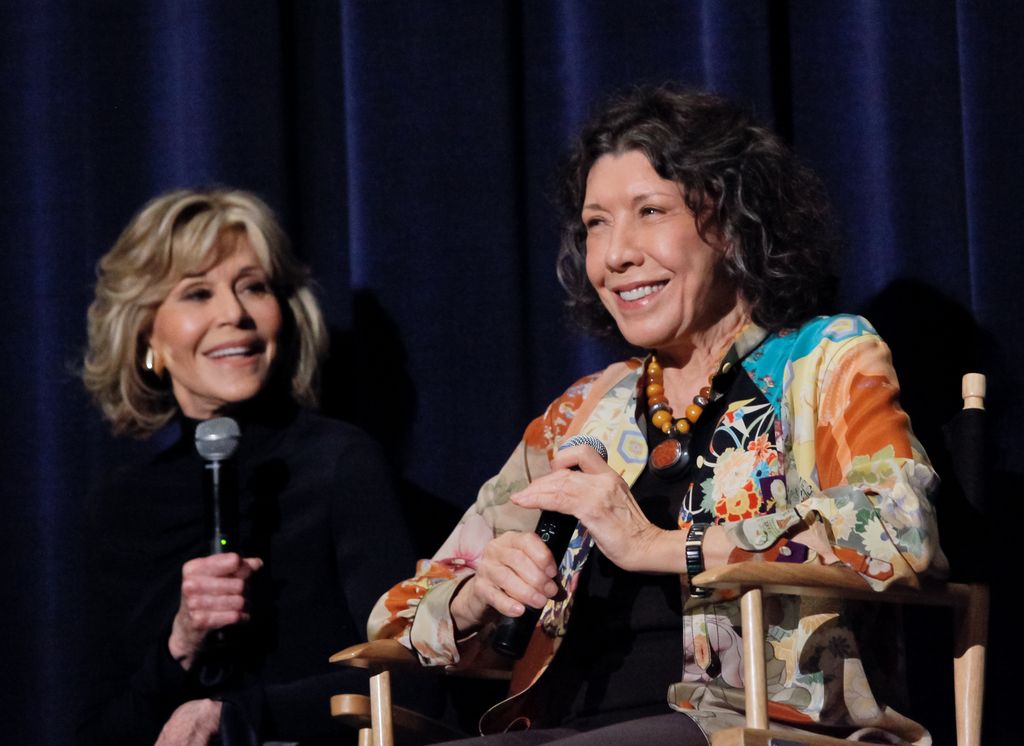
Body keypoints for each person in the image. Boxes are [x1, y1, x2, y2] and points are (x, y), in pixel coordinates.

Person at [368, 86, 946, 744]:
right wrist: (476, 594)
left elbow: (901, 533)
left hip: (753, 728)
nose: (615, 254)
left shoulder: (823, 362)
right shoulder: (585, 411)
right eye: (596, 224)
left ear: (733, 223)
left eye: (649, 211)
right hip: (567, 728)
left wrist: (661, 547)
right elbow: (395, 612)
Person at [78, 189, 414, 745]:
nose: (233, 314)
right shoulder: (118, 506)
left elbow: (411, 678)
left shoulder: (339, 463)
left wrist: (237, 715)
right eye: (197, 294)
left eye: (253, 287)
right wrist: (180, 643)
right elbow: (97, 733)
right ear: (147, 334)